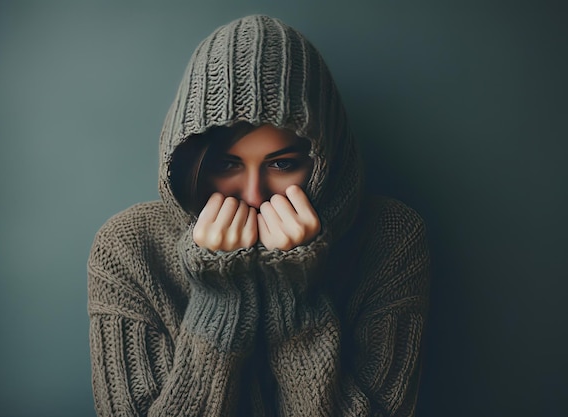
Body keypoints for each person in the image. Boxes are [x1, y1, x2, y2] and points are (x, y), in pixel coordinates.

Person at [87, 14, 430, 417]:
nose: (253, 194)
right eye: (228, 165)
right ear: (189, 164)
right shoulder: (127, 250)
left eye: (282, 165)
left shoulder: (391, 239)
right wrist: (220, 297)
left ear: (325, 160)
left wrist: (294, 299)